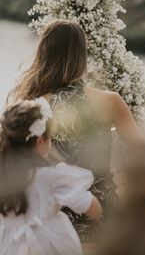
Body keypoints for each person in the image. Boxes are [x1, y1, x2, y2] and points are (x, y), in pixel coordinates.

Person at [7, 19, 140, 238]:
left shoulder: (33, 105)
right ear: (81, 56)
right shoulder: (110, 101)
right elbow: (143, 152)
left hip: (48, 215)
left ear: (44, 54)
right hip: (101, 215)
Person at [0, 98, 102, 255]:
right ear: (40, 140)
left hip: (9, 244)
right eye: (50, 137)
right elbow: (93, 208)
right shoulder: (50, 177)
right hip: (49, 244)